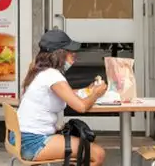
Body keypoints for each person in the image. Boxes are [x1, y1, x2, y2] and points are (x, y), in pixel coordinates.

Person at [12, 29, 107, 166]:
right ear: (59, 54)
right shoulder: (52, 76)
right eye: (70, 52)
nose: (74, 56)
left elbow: (65, 92)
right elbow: (81, 107)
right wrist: (96, 93)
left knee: (86, 150)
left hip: (22, 137)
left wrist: (88, 90)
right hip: (33, 143)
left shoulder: (38, 71)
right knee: (98, 154)